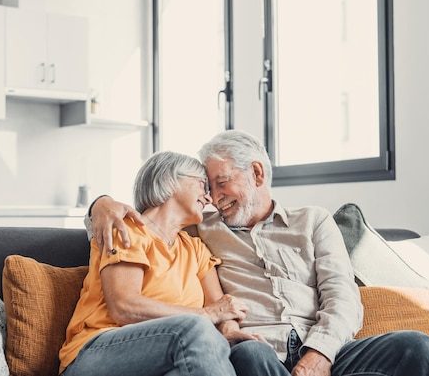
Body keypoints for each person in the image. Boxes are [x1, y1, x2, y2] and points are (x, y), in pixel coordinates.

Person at [88, 130, 429, 376]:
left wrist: (320, 354)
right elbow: (149, 218)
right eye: (207, 186)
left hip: (321, 347)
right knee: (252, 355)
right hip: (260, 350)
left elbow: (343, 298)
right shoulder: (202, 227)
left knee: (419, 347)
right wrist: (99, 204)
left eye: (221, 182)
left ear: (256, 173)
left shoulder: (313, 221)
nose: (213, 196)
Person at [59, 150, 280, 376]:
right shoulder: (125, 229)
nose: (210, 198)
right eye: (203, 185)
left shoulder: (195, 249)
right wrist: (206, 315)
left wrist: (229, 329)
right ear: (171, 180)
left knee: (252, 351)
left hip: (168, 358)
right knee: (197, 329)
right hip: (97, 352)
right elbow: (124, 306)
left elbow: (220, 307)